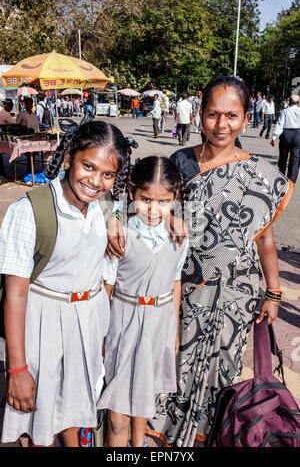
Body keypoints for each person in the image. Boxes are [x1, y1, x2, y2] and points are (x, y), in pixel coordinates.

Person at [145, 76, 293, 446]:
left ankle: (207, 438)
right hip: (183, 290)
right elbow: (148, 208)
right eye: (213, 114)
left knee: (220, 379)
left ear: (245, 119)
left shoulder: (262, 175)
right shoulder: (179, 163)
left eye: (231, 115)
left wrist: (273, 292)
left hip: (235, 297)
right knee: (173, 370)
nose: (221, 124)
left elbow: (265, 239)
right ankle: (167, 441)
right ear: (200, 115)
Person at [0, 120, 132, 447]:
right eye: (88, 166)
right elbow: (15, 293)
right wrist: (17, 370)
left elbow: (157, 199)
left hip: (88, 324)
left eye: (108, 174)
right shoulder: (30, 211)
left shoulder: (106, 208)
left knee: (75, 410)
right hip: (42, 323)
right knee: (38, 418)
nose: (96, 181)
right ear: (70, 156)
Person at [98, 156, 189, 447]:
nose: (153, 209)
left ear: (175, 199)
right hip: (123, 324)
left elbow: (176, 280)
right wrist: (101, 332)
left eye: (164, 202)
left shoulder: (179, 234)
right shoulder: (120, 233)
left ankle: (138, 445)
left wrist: (173, 328)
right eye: (145, 199)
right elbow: (107, 287)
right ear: (132, 193)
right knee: (117, 414)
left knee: (144, 395)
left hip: (159, 323)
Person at [272, 94, 300, 183]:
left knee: (283, 156)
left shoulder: (285, 111)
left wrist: (274, 137)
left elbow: (280, 124)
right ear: (298, 103)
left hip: (286, 134)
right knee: (295, 158)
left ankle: (281, 176)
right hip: (298, 135)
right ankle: (291, 181)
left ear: (290, 102)